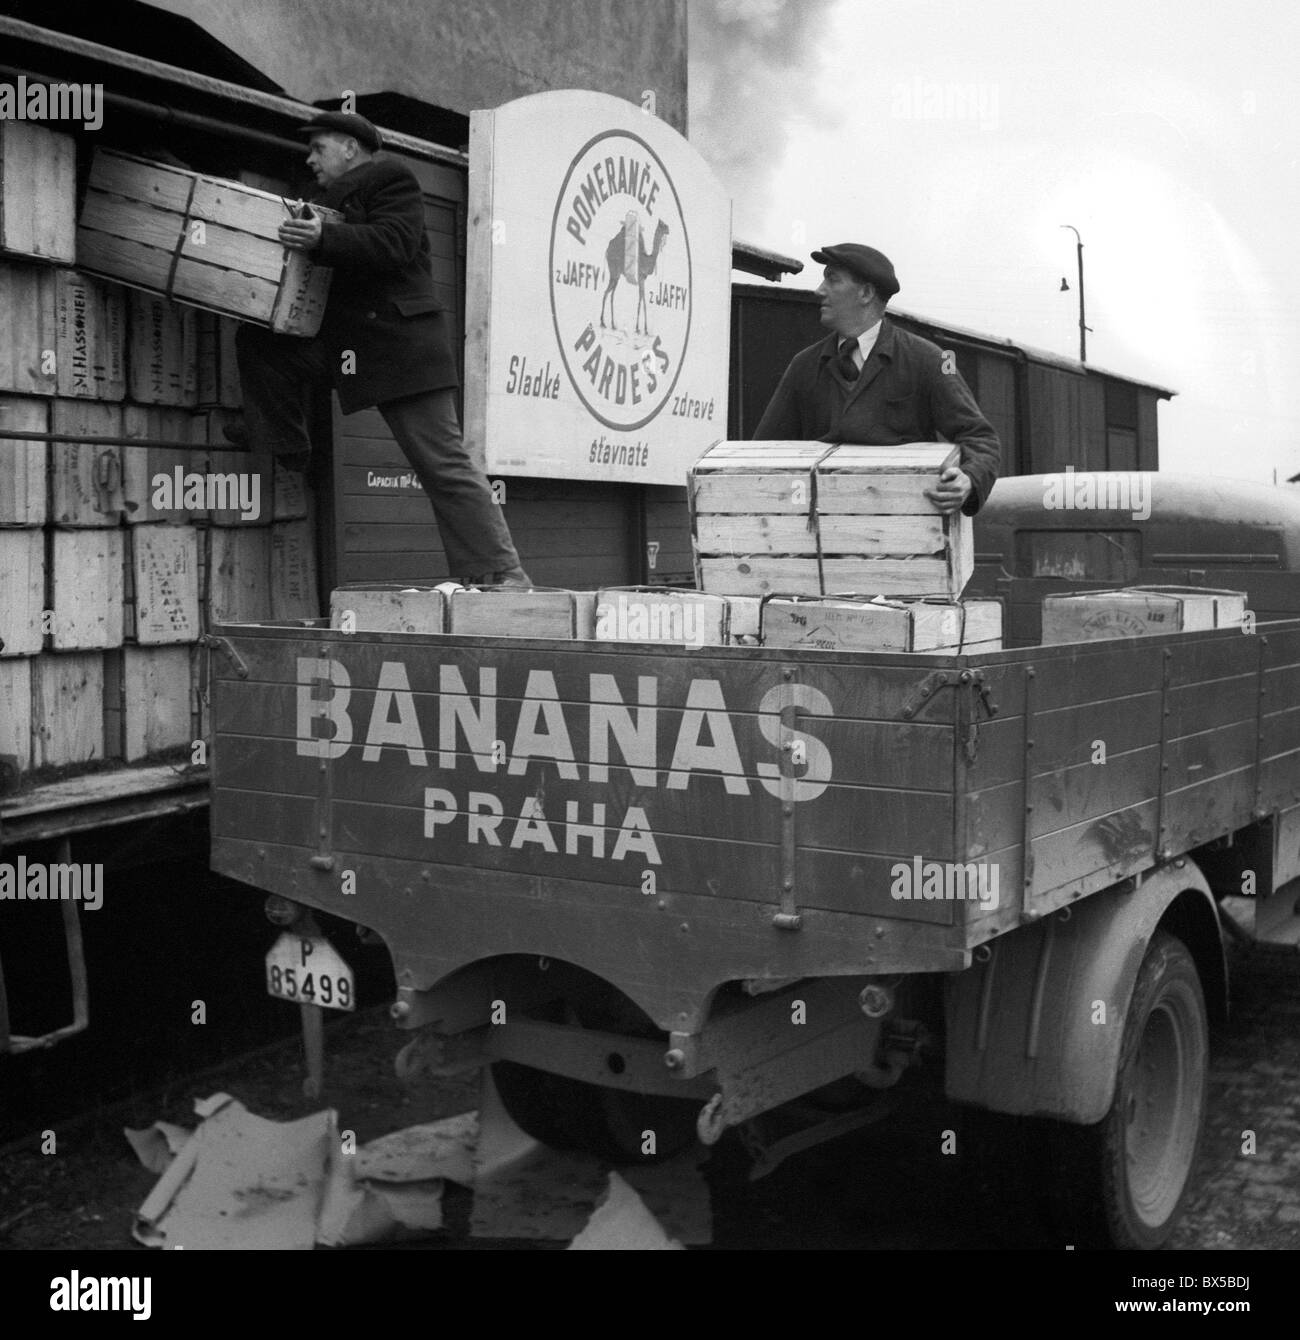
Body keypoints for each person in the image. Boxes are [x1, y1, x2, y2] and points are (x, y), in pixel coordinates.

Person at [232, 111, 531, 585]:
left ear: (351, 147)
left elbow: (395, 243)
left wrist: (324, 236)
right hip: (352, 349)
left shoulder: (392, 178)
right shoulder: (320, 200)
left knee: (444, 467)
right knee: (260, 342)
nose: (310, 159)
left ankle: (502, 575)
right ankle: (286, 447)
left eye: (319, 148)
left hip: (401, 347)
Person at [753, 243, 999, 515]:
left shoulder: (933, 359)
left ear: (866, 293)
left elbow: (980, 438)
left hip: (905, 532)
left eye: (832, 280)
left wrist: (968, 479)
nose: (819, 290)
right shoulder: (804, 366)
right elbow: (765, 453)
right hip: (822, 534)